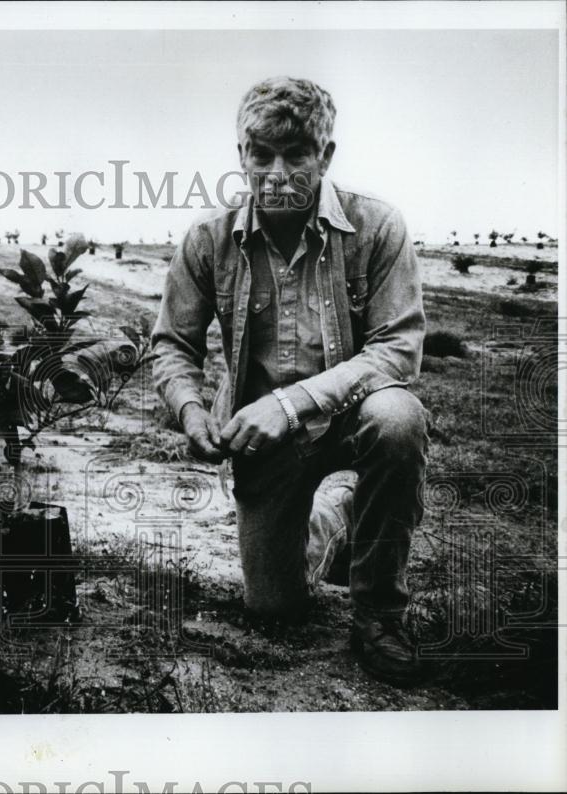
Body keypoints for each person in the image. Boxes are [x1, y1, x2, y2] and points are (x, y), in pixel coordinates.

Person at [152, 76, 429, 686]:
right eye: (262, 154)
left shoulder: (378, 226)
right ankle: (336, 521)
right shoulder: (208, 239)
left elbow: (399, 352)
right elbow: (173, 345)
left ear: (324, 157)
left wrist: (288, 402)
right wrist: (191, 409)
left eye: (297, 154)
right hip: (264, 443)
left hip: (356, 418)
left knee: (398, 419)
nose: (278, 173)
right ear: (242, 157)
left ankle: (379, 613)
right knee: (273, 607)